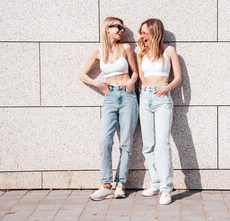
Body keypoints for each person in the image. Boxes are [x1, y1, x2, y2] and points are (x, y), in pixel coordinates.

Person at [78, 17, 138, 200]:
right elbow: (82, 75)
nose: (121, 30)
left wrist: (131, 82)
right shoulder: (98, 51)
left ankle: (121, 184)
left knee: (126, 142)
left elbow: (135, 72)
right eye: (118, 27)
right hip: (110, 97)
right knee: (105, 141)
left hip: (127, 96)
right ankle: (106, 184)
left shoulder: (126, 48)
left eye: (123, 28)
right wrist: (98, 84)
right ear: (107, 28)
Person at [137, 18, 182, 205]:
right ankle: (155, 182)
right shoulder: (141, 53)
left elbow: (178, 77)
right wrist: (144, 89)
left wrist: (167, 88)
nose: (141, 36)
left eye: (144, 32)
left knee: (162, 143)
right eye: (140, 32)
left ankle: (166, 188)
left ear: (155, 31)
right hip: (145, 98)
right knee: (148, 144)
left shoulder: (169, 51)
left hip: (162, 99)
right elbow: (142, 77)